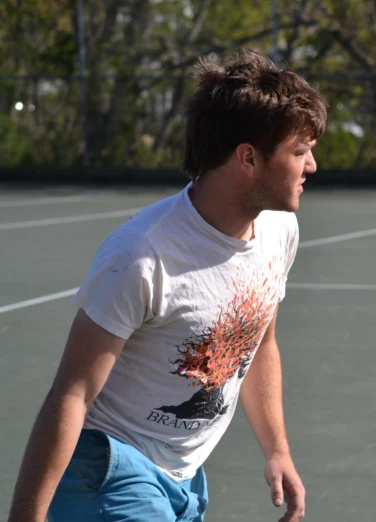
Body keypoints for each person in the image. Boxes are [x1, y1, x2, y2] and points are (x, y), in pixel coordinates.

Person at [8, 49, 327, 522]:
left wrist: (277, 450)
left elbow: (259, 344)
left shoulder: (279, 231)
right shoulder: (141, 256)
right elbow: (70, 395)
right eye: (300, 152)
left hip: (185, 476)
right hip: (110, 470)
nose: (312, 166)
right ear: (249, 158)